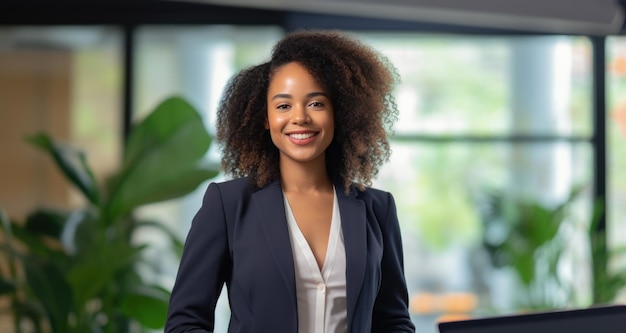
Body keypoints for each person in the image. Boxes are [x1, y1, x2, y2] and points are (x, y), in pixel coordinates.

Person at [165, 29, 415, 333]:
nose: (300, 117)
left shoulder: (378, 209)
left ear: (341, 113)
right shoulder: (228, 206)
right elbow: (185, 323)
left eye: (316, 104)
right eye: (283, 105)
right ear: (265, 117)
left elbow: (394, 321)